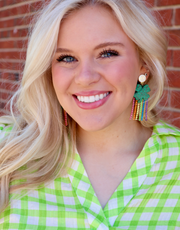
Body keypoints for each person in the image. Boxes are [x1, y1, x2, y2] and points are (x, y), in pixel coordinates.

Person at [0, 0, 180, 229]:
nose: (85, 77)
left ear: (143, 64)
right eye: (66, 58)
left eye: (107, 53)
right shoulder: (7, 152)